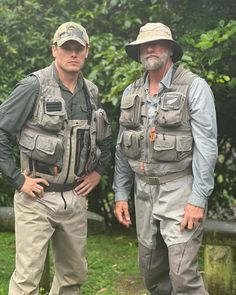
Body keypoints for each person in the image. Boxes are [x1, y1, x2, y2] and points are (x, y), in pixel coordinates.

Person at [0, 21, 111, 294]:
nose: (72, 53)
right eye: (66, 48)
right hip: (36, 197)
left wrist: (98, 171)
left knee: (73, 277)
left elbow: (105, 140)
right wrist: (17, 179)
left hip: (74, 199)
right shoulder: (33, 86)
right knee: (27, 279)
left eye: (78, 48)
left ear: (87, 51)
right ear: (54, 50)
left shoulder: (91, 92)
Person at [113, 22, 217, 295]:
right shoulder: (131, 92)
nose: (149, 48)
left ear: (170, 49)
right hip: (143, 192)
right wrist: (121, 194)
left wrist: (197, 199)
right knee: (152, 274)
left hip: (179, 190)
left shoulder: (194, 87)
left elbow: (207, 147)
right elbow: (122, 147)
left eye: (156, 43)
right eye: (143, 45)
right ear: (137, 53)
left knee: (183, 276)